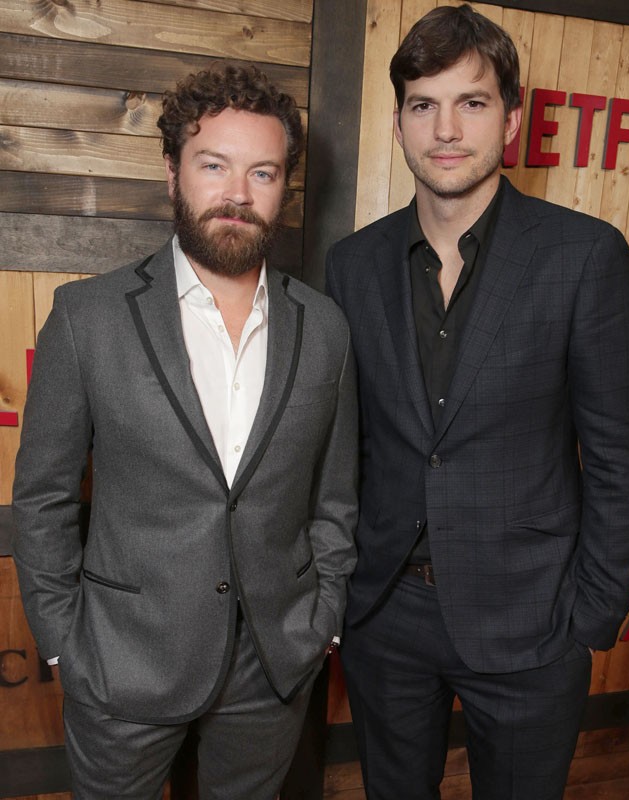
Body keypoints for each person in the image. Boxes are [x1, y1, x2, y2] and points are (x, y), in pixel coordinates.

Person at [326, 5, 629, 799]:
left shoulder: (583, 256)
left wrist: (591, 614)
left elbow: (621, 457)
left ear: (509, 120)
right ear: (399, 124)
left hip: (533, 619)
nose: (445, 129)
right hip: (385, 615)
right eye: (423, 105)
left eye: (471, 103)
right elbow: (343, 449)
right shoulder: (352, 264)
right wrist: (344, 594)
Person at [12, 63, 358, 800]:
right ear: (172, 172)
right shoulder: (87, 318)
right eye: (214, 165)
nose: (238, 194)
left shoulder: (325, 328)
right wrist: (65, 646)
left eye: (262, 172)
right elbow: (42, 499)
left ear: (285, 187)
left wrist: (321, 619)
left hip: (274, 661)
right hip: (122, 661)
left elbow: (334, 498)